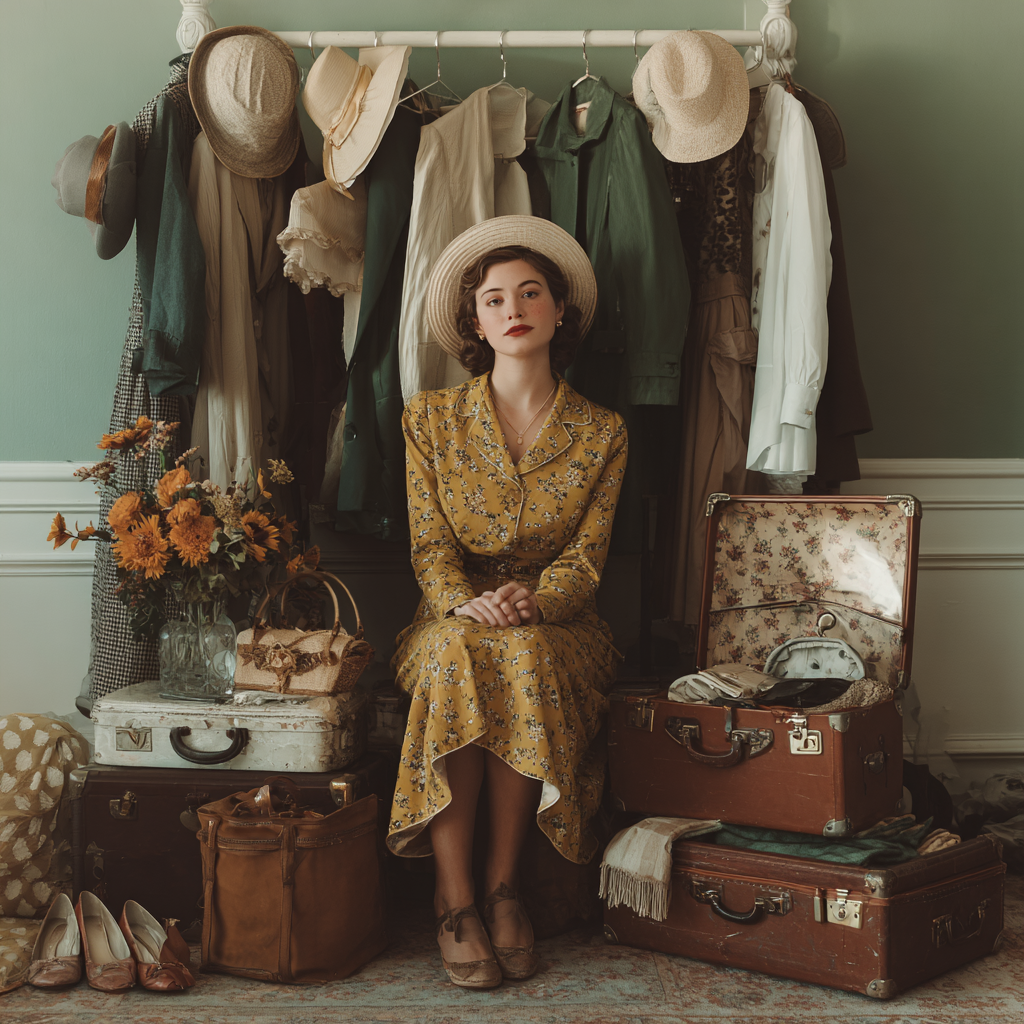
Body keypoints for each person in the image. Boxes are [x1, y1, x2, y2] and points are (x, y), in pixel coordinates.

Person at [387, 216, 628, 989]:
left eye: (530, 293)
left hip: (559, 623)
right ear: (476, 321)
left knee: (519, 652)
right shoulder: (430, 418)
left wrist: (534, 600)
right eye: (494, 299)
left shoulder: (602, 433)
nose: (513, 308)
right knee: (462, 653)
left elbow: (587, 559)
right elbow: (430, 545)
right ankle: (454, 898)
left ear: (561, 312)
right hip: (449, 618)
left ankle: (503, 886)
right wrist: (462, 603)